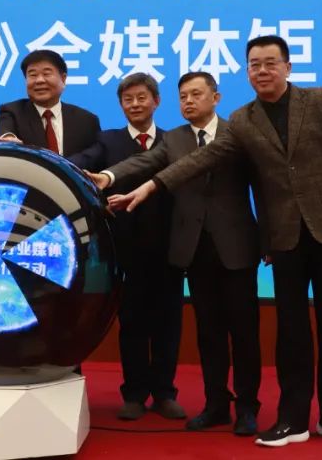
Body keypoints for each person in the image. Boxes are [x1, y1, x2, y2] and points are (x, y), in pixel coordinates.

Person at [102, 35, 322, 447]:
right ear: (246, 72)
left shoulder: (319, 101)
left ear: (287, 67)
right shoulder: (245, 120)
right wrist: (148, 186)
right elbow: (200, 159)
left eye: (270, 63)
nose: (262, 71)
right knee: (291, 331)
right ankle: (293, 418)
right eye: (254, 65)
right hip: (284, 238)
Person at [98, 72, 262, 436]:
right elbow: (142, 163)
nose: (188, 101)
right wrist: (108, 177)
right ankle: (216, 404)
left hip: (236, 247)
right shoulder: (174, 139)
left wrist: (268, 237)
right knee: (209, 333)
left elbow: (263, 185)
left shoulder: (238, 132)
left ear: (216, 98)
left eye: (196, 94)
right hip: (194, 250)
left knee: (244, 333)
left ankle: (247, 406)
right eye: (183, 96)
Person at [69, 73, 184, 422]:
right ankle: (134, 394)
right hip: (125, 248)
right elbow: (84, 160)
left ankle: (164, 393)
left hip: (169, 248)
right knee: (131, 323)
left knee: (168, 324)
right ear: (120, 105)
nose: (135, 105)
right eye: (128, 100)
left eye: (141, 98)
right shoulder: (108, 140)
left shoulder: (175, 141)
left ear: (156, 101)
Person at [0, 49, 100, 157]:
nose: (39, 80)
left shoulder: (86, 120)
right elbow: (4, 129)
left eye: (46, 74)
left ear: (63, 79)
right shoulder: (12, 111)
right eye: (33, 75)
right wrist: (7, 138)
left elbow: (96, 158)